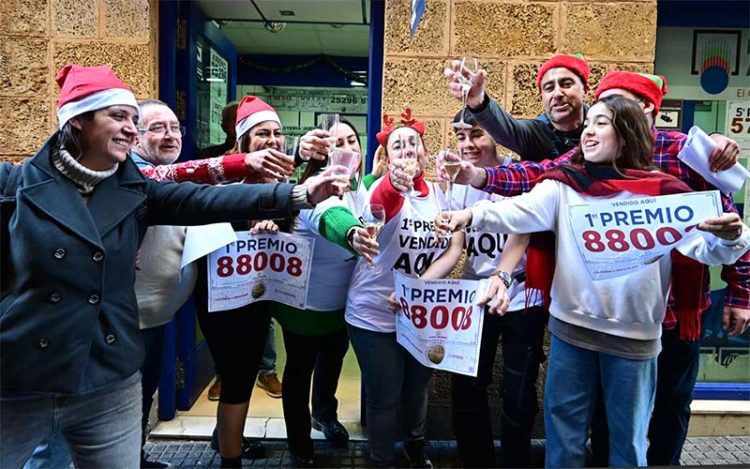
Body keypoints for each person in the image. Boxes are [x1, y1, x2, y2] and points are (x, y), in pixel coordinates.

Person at [0, 64, 344, 469]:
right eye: (119, 117)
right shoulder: (15, 184)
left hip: (108, 378)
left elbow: (206, 200)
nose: (131, 129)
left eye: (134, 119)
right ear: (76, 120)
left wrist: (300, 193)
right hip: (24, 376)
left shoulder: (137, 188)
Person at [442, 70, 750, 466]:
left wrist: (733, 237)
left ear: (630, 125)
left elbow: (710, 245)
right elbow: (519, 208)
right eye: (588, 124)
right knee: (565, 433)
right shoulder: (566, 181)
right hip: (572, 332)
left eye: (600, 123)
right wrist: (470, 213)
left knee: (630, 440)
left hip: (638, 339)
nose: (586, 133)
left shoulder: (667, 190)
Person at [420, 111, 546, 468]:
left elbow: (523, 230)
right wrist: (419, 286)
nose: (468, 145)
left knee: (518, 394)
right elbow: (456, 248)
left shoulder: (519, 173)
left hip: (521, 296)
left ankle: (515, 462)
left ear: (495, 136)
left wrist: (502, 276)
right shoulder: (457, 184)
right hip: (474, 297)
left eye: (476, 134)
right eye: (460, 137)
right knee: (466, 388)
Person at [193, 95, 296, 468]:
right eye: (262, 134)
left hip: (258, 296)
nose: (272, 139)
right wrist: (249, 225)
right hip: (221, 298)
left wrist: (275, 227)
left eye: (277, 133)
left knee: (243, 373)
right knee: (236, 376)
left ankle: (224, 441)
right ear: (244, 144)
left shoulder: (284, 182)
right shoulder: (219, 178)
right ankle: (230, 459)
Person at [345, 112, 448, 468]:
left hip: (420, 312)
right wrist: (393, 183)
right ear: (387, 158)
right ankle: (382, 459)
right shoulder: (380, 188)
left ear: (424, 152)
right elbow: (382, 205)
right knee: (385, 396)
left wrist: (421, 285)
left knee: (418, 388)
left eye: (412, 144)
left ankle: (416, 446)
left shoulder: (439, 194)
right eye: (397, 146)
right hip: (374, 314)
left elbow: (453, 247)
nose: (406, 151)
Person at [276, 119, 378, 467]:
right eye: (337, 144)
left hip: (341, 304)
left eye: (352, 141)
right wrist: (353, 234)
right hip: (305, 304)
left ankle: (324, 413)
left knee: (332, 359)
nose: (347, 149)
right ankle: (299, 443)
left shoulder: (360, 188)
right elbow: (330, 216)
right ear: (324, 155)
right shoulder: (315, 189)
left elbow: (364, 197)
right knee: (299, 370)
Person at [445, 53, 590, 161]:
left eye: (566, 84)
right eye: (549, 88)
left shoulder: (605, 126)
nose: (557, 93)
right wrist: (478, 101)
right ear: (542, 97)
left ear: (585, 89)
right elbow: (505, 128)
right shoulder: (534, 134)